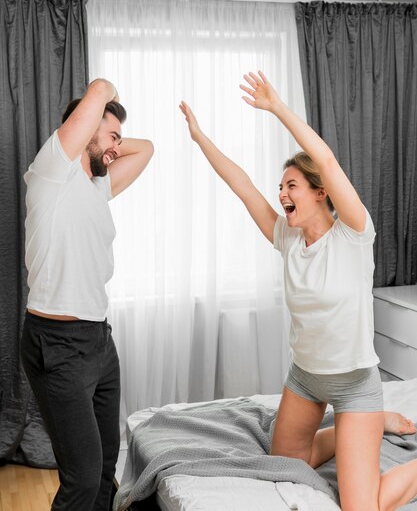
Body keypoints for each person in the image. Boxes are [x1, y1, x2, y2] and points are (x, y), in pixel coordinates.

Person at [180, 70, 417, 511]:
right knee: (286, 462)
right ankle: (368, 427)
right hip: (305, 378)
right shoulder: (285, 237)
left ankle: (374, 427)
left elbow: (326, 160)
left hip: (354, 384)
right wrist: (199, 138)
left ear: (320, 193)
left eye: (291, 185)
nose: (281, 193)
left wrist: (276, 108)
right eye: (281, 187)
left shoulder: (353, 233)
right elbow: (241, 184)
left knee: (361, 507)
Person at [21, 78, 154, 511]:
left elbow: (147, 148)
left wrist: (110, 139)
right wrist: (102, 110)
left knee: (103, 468)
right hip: (56, 343)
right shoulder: (51, 172)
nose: (118, 146)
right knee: (81, 477)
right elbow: (98, 88)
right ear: (86, 127)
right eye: (111, 136)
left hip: (99, 340)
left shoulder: (96, 187)